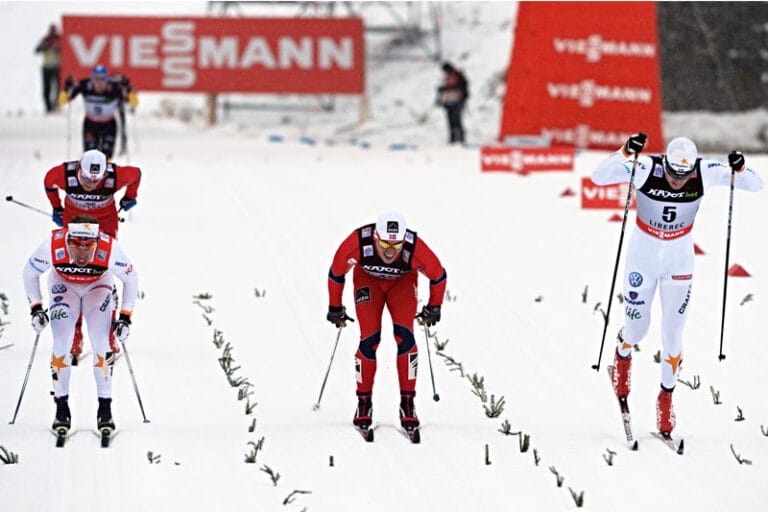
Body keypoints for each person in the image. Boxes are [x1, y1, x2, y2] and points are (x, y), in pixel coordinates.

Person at [592, 133, 763, 437]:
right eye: (673, 174)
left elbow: (756, 184)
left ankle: (666, 397)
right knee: (637, 330)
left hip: (679, 261)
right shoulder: (646, 168)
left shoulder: (704, 173)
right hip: (642, 258)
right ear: (666, 164)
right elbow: (599, 176)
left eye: (683, 176)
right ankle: (622, 353)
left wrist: (739, 169)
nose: (677, 181)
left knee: (673, 334)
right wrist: (624, 152)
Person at [326, 212, 447, 435]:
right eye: (384, 244)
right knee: (370, 338)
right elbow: (336, 273)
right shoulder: (357, 243)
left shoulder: (414, 248)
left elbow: (438, 276)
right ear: (374, 237)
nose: (390, 251)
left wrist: (434, 307)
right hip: (367, 281)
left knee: (405, 336)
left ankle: (407, 404)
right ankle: (364, 403)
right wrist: (335, 308)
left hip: (402, 283)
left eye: (397, 244)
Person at [22, 214, 139, 434]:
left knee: (101, 343)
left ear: (97, 240)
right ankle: (61, 407)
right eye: (76, 244)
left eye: (89, 245)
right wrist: (36, 308)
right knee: (61, 343)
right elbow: (29, 273)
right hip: (63, 287)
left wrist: (125, 317)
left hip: (98, 287)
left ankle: (105, 408)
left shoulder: (110, 248)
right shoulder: (52, 244)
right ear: (67, 239)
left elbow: (130, 279)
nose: (82, 251)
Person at [43, 148, 141, 360]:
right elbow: (48, 182)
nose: (90, 184)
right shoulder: (64, 174)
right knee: (74, 276)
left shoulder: (115, 176)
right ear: (79, 168)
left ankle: (108, 336)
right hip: (74, 225)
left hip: (104, 227)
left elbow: (136, 175)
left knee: (102, 274)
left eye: (96, 180)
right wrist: (56, 208)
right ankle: (75, 337)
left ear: (105, 173)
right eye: (86, 178)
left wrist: (129, 197)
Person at [58, 65, 138, 160]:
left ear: (107, 79)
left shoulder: (114, 88)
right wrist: (66, 89)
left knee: (107, 159)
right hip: (90, 125)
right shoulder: (85, 85)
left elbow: (134, 102)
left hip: (109, 125)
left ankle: (107, 174)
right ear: (92, 79)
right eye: (96, 79)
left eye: (103, 79)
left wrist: (129, 89)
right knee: (89, 158)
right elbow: (62, 101)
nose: (99, 83)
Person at [436, 62, 469, 144]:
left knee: (457, 120)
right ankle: (453, 138)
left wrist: (445, 89)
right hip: (449, 103)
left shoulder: (458, 76)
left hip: (457, 102)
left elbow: (460, 88)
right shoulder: (449, 77)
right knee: (451, 122)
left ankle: (460, 138)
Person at [35, 24, 61, 113]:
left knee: (58, 88)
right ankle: (48, 107)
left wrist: (58, 48)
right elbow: (37, 50)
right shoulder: (46, 40)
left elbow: (66, 50)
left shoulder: (60, 39)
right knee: (47, 88)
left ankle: (56, 105)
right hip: (47, 67)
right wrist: (45, 46)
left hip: (57, 67)